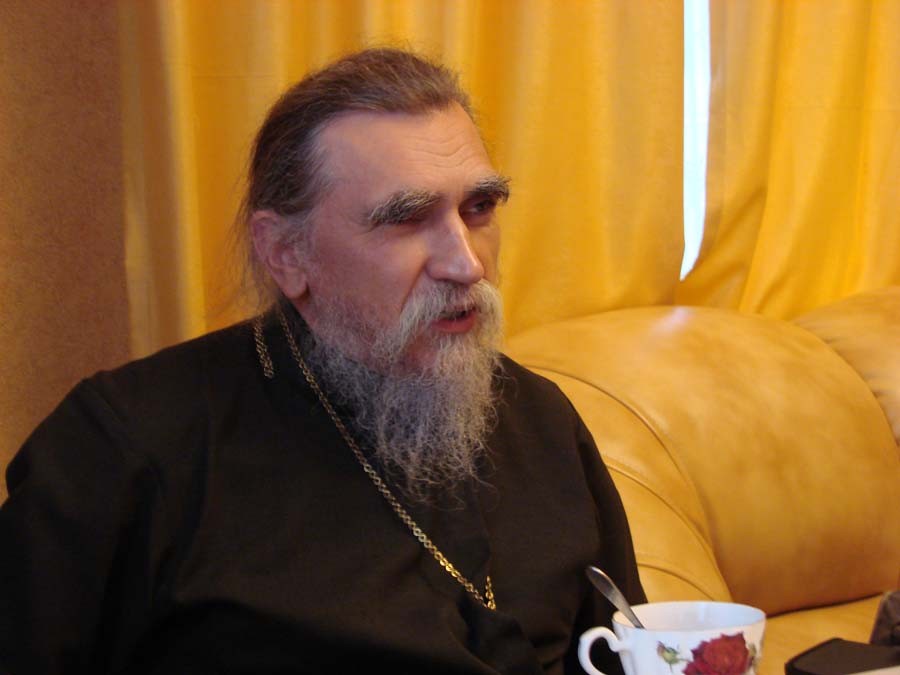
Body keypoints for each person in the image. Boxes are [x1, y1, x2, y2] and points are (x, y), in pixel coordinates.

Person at [0, 48, 645, 674]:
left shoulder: (543, 421)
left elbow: (631, 652)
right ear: (286, 253)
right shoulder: (127, 448)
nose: (467, 263)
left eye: (478, 209)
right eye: (408, 219)